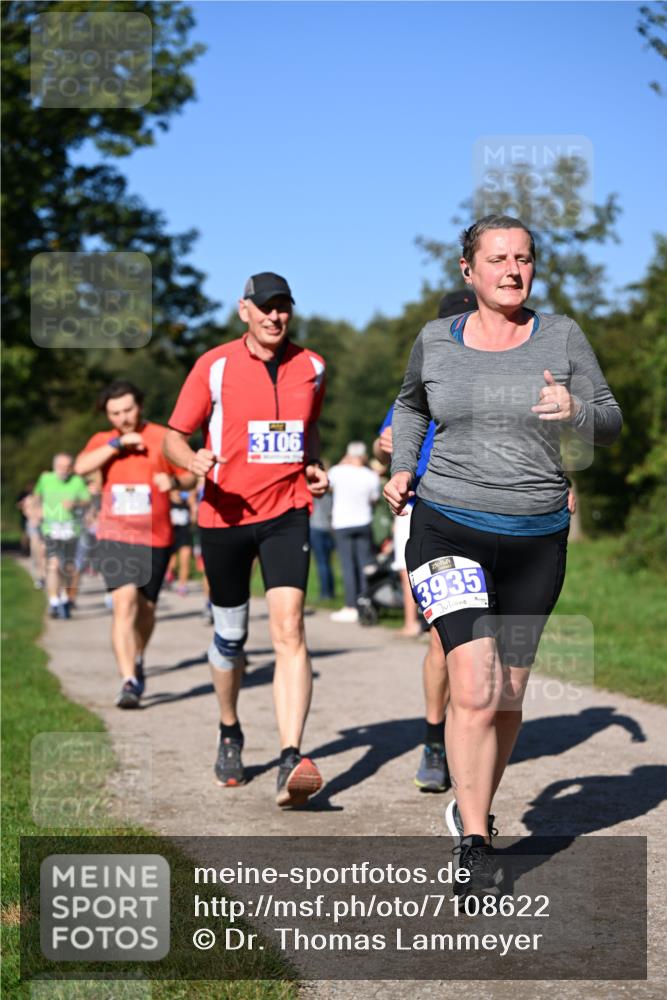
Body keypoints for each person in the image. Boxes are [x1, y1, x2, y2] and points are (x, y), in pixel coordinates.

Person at [384, 214, 622, 893]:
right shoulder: (435, 339)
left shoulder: (561, 336)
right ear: (469, 270)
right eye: (497, 259)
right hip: (446, 526)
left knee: (508, 696)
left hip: (534, 537)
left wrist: (574, 407)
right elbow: (408, 407)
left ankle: (471, 801)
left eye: (523, 258)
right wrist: (404, 466)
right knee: (474, 690)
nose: (512, 270)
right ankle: (475, 839)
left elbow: (608, 421)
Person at [163, 271, 329, 807]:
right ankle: (230, 729)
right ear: (244, 311)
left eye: (283, 307)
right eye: (265, 307)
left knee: (290, 630)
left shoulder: (313, 367)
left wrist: (315, 467)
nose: (275, 316)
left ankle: (289, 757)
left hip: (287, 511)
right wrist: (192, 460)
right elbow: (172, 436)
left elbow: (310, 433)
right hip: (223, 516)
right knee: (230, 638)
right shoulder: (213, 366)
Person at [74, 380, 194, 708]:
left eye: (128, 410)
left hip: (156, 535)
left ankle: (138, 656)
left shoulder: (162, 437)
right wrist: (117, 443)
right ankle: (128, 681)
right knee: (124, 603)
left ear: (139, 406)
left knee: (147, 609)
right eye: (115, 413)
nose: (123, 418)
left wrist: (172, 481)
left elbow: (191, 475)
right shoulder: (103, 440)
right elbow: (81, 466)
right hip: (116, 535)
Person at [327, 442, 381, 623]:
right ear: (364, 456)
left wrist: (343, 461)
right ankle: (365, 602)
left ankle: (350, 605)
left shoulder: (337, 471)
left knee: (348, 565)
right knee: (364, 565)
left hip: (342, 522)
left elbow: (328, 488)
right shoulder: (370, 475)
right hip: (363, 521)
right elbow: (374, 500)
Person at [33, 454, 90, 618]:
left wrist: (76, 504)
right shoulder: (45, 479)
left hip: (71, 529)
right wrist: (36, 509)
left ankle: (65, 597)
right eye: (60, 467)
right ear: (54, 466)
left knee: (67, 566)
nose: (64, 470)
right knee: (53, 564)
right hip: (50, 528)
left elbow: (87, 500)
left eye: (67, 467)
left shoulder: (77, 481)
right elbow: (37, 496)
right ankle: (53, 601)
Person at [166, 488, 196, 595]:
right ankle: (169, 574)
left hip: (185, 537)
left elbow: (193, 521)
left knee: (185, 562)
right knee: (172, 563)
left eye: (180, 491)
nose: (178, 493)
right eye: (176, 491)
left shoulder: (186, 504)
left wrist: (193, 507)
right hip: (172, 537)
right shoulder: (168, 504)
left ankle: (182, 586)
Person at [309, 487, 336, 601]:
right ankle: (330, 591)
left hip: (316, 528)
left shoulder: (314, 493)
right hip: (329, 529)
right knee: (327, 562)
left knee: (321, 563)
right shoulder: (330, 495)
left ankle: (325, 593)